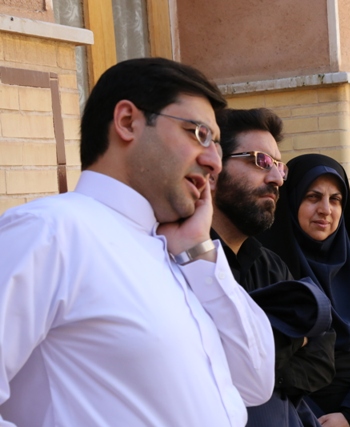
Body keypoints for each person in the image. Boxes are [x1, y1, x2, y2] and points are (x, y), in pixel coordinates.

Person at [0, 58, 274, 426]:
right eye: (200, 134)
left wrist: (198, 251)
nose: (215, 162)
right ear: (128, 121)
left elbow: (255, 382)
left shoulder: (179, 252)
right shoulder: (48, 232)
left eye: (218, 146)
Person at [211, 108, 335, 427]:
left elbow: (322, 356)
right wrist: (293, 338)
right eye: (261, 161)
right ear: (213, 166)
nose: (277, 178)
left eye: (279, 166)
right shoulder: (186, 263)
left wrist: (265, 373)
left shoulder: (269, 264)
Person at [259, 153, 350, 427]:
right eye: (313, 197)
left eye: (335, 199)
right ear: (291, 201)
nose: (325, 209)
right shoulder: (267, 273)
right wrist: (313, 420)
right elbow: (267, 368)